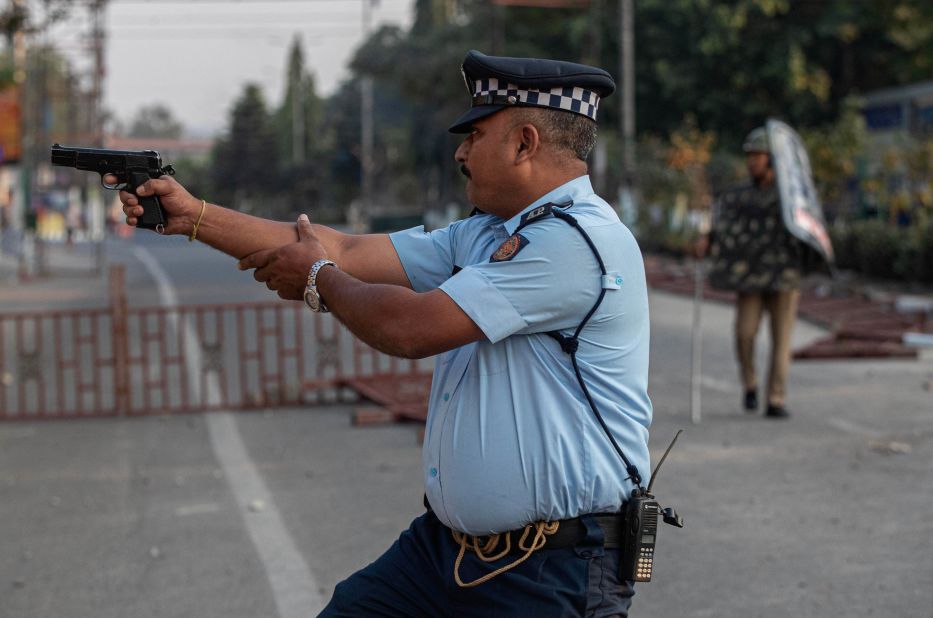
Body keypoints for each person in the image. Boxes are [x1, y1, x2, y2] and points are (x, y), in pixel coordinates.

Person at [118, 50, 653, 616]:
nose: (460, 151)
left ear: (524, 142)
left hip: (549, 572)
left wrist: (319, 279)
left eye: (474, 134)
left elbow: (410, 328)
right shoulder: (487, 233)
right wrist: (192, 215)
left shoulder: (574, 243)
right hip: (446, 553)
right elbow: (342, 247)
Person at [697, 126, 804, 419]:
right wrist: (708, 238)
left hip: (784, 277)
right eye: (750, 157)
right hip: (750, 277)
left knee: (781, 342)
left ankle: (775, 399)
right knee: (744, 334)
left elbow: (808, 225)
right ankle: (751, 384)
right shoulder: (740, 196)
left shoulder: (791, 196)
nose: (752, 162)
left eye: (758, 156)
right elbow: (722, 222)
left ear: (773, 159)